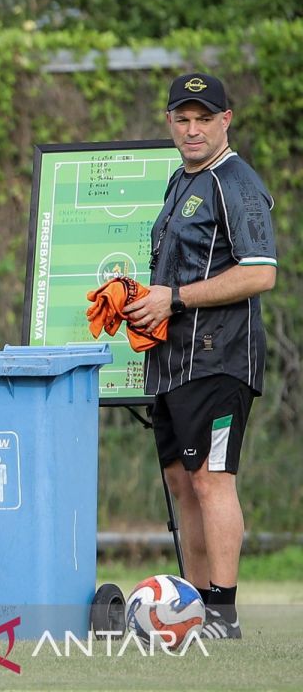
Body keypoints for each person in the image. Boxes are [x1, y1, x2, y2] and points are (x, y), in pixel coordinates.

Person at [123, 72, 277, 640]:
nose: (192, 129)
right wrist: (138, 302)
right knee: (182, 484)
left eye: (203, 119)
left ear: (225, 120)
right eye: (182, 119)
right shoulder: (179, 182)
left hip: (219, 361)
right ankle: (192, 609)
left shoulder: (234, 181)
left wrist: (177, 297)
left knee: (212, 480)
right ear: (169, 121)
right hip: (173, 364)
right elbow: (175, 278)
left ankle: (224, 613)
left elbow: (261, 273)